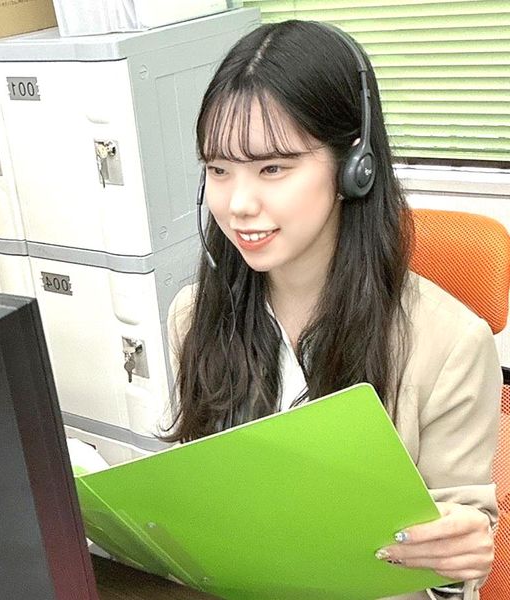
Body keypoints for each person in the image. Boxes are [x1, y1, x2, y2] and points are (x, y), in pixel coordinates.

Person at [165, 20, 500, 600]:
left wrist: (456, 555)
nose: (238, 203)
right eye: (218, 170)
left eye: (273, 168)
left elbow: (454, 573)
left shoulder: (450, 345)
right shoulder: (194, 316)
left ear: (354, 167)